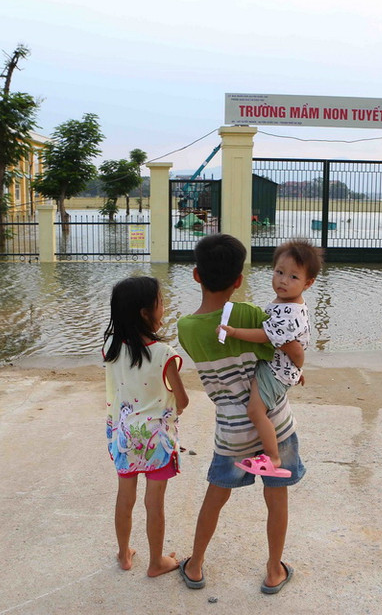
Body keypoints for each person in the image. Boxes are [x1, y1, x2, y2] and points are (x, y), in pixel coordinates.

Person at [176, 234, 305, 595]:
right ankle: (273, 570)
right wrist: (299, 364)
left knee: (215, 496)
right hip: (275, 421)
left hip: (232, 429)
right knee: (276, 496)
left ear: (196, 275)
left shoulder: (186, 328)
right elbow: (287, 349)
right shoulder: (250, 314)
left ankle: (197, 564)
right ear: (239, 280)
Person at [104, 276, 189, 577]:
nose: (163, 308)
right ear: (145, 313)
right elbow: (183, 400)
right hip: (157, 441)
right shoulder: (165, 354)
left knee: (124, 496)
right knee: (155, 503)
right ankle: (156, 562)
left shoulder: (110, 347)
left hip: (125, 435)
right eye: (160, 303)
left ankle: (124, 554)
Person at [218, 239, 321, 476]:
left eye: (294, 277)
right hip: (279, 367)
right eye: (279, 272)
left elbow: (266, 336)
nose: (283, 280)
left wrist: (234, 332)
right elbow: (289, 346)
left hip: (276, 371)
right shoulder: (285, 302)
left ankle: (273, 458)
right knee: (257, 407)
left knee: (255, 411)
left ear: (309, 283)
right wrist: (297, 369)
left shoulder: (291, 311)